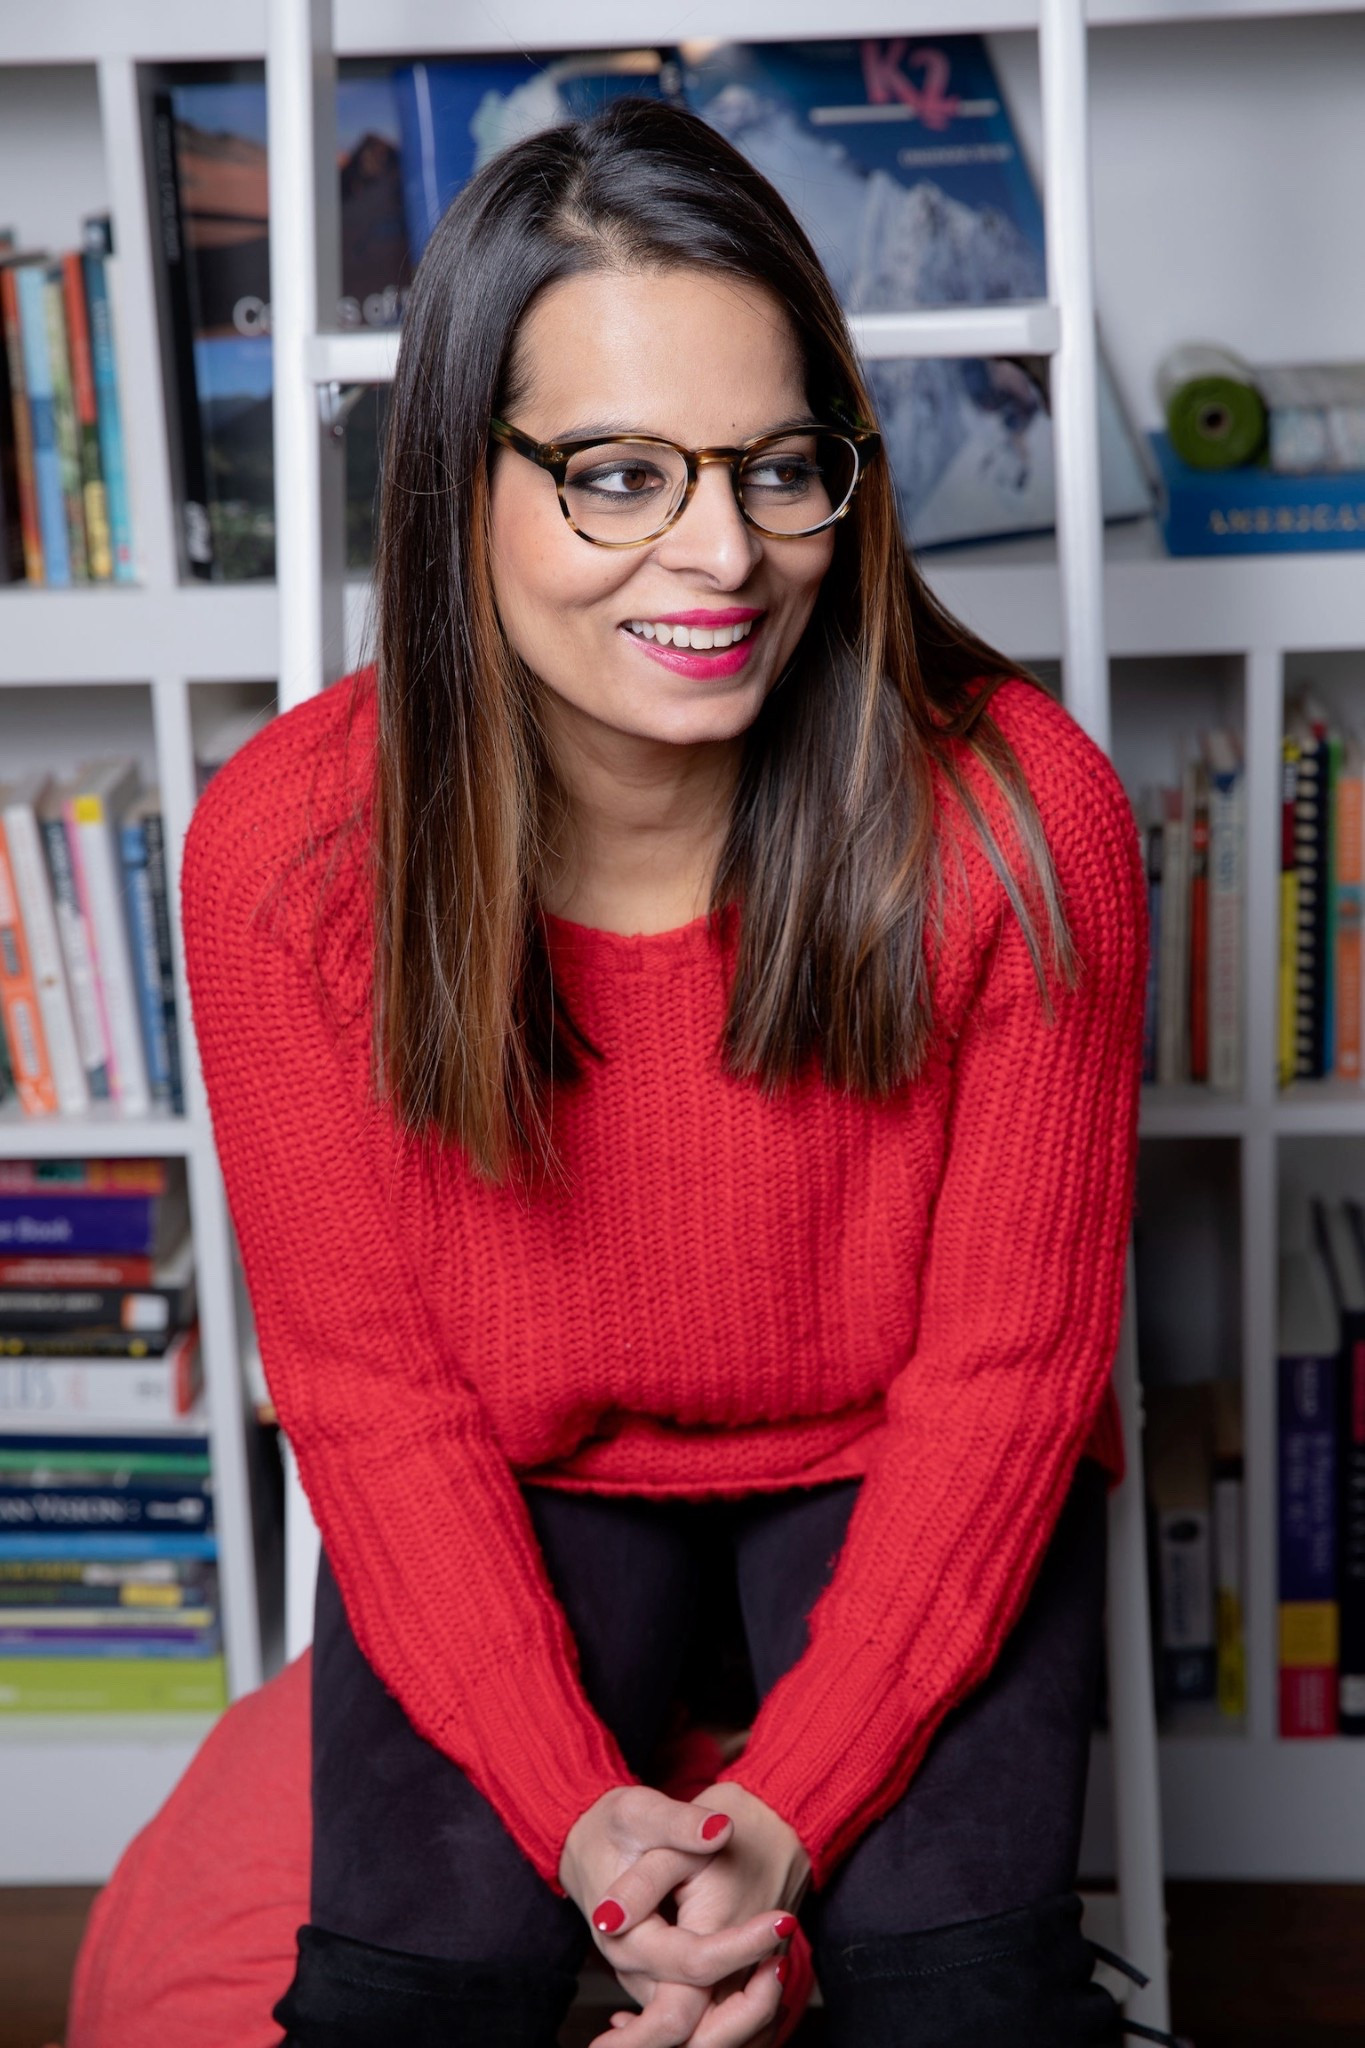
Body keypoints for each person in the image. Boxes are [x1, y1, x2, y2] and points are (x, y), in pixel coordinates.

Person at [180, 97, 1163, 2048]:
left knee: (969, 2001)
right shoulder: (287, 853)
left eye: (779, 466)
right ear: (458, 479)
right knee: (403, 1997)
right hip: (524, 1473)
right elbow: (370, 1405)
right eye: (616, 473)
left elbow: (1005, 1389)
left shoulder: (1021, 822)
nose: (720, 551)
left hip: (899, 1459)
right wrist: (587, 1831)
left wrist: (781, 1822)